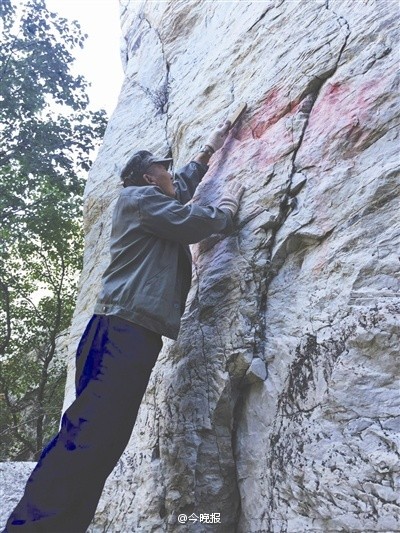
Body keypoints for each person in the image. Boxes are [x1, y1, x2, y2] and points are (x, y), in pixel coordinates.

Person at [4, 120, 245, 532]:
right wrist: (226, 212)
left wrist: (209, 149)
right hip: (120, 332)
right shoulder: (139, 199)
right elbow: (190, 220)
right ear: (149, 178)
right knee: (89, 436)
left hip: (128, 332)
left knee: (103, 442)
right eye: (163, 169)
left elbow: (180, 188)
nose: (171, 172)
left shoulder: (149, 201)